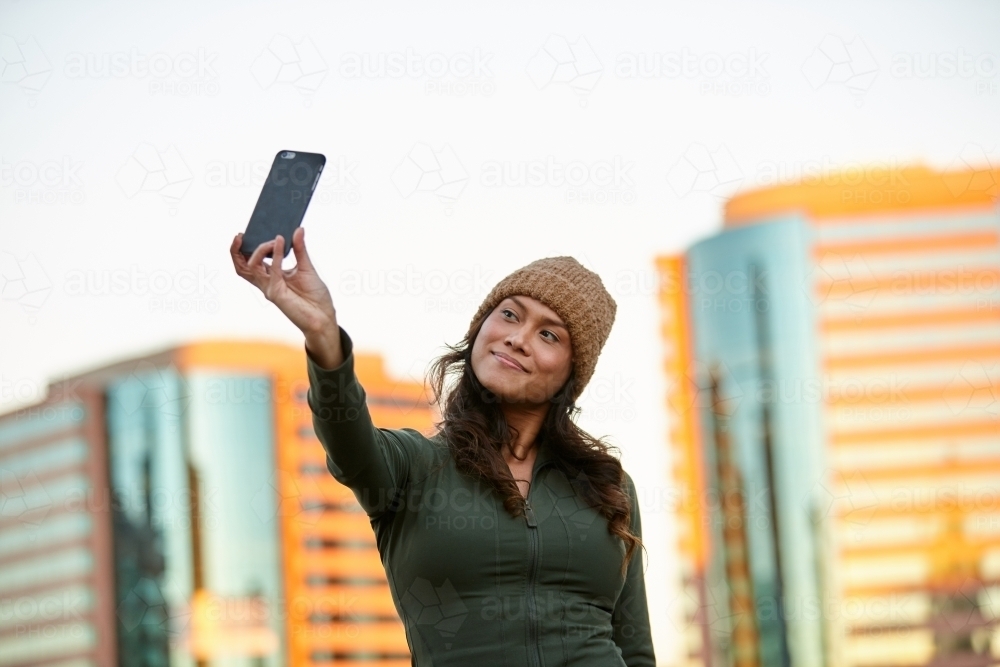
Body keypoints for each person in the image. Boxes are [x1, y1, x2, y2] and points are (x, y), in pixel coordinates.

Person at [230, 227, 655, 667]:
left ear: (573, 372)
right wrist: (323, 334)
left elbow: (636, 648)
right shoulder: (415, 467)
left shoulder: (609, 487)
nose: (518, 338)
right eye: (510, 315)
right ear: (481, 328)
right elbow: (348, 440)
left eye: (549, 335)